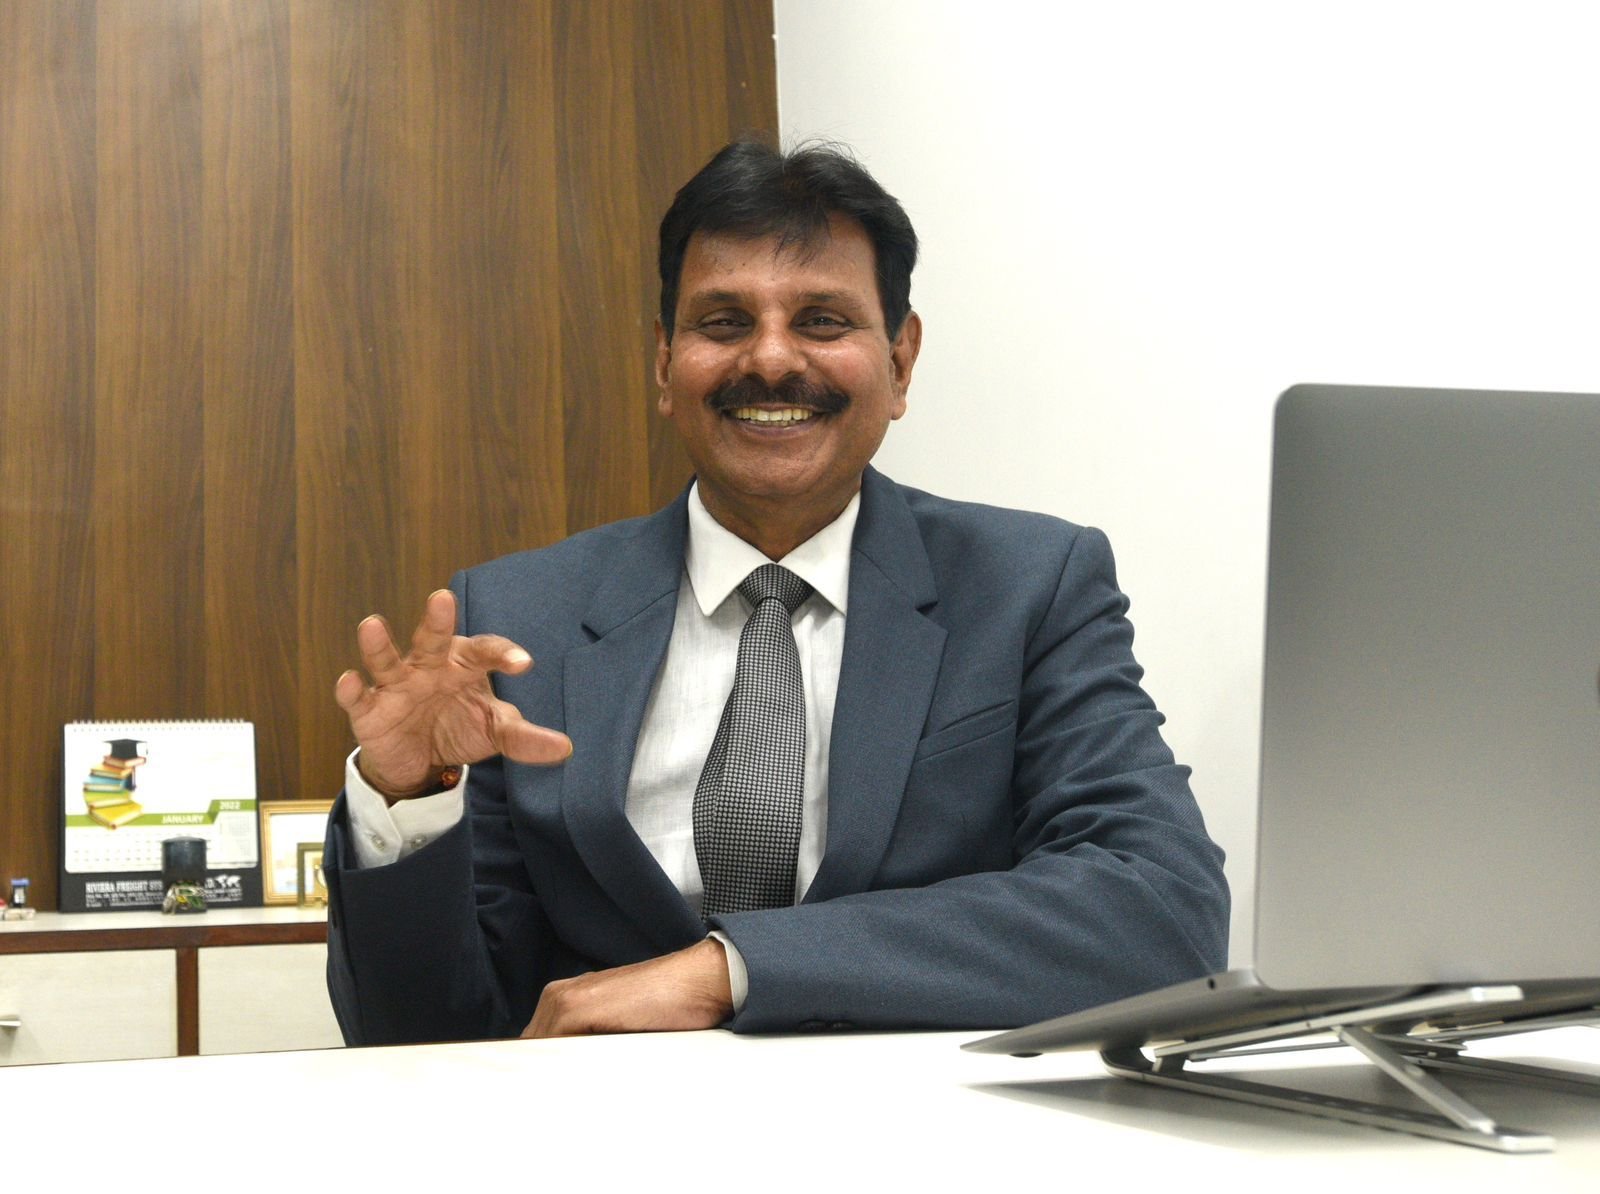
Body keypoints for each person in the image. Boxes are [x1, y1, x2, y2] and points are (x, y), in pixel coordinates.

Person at [324, 140, 1228, 1045]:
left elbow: (1159, 909)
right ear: (664, 363)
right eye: (722, 322)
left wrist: (734, 970)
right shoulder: (522, 619)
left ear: (901, 361)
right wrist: (406, 798)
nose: (769, 358)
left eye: (823, 321)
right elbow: (420, 1037)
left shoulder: (1029, 586)